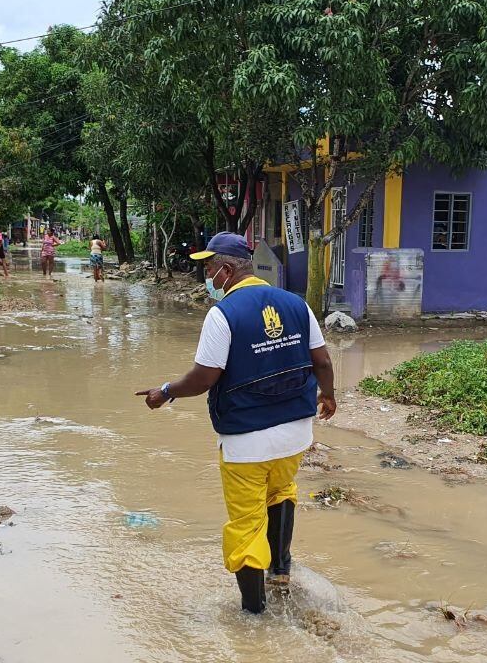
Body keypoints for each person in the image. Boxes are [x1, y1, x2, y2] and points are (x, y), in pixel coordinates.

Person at [136, 232, 337, 615]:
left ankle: (254, 614)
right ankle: (280, 572)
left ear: (227, 270)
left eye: (210, 268)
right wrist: (327, 396)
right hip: (296, 432)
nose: (208, 276)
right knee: (282, 492)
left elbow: (203, 378)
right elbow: (323, 361)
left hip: (247, 440)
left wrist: (165, 391)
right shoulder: (295, 303)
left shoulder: (223, 314)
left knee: (245, 523)